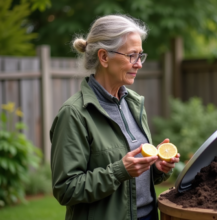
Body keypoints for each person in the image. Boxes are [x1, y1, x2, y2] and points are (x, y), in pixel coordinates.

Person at [50, 14, 180, 220]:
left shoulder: (134, 103)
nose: (139, 64)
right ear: (104, 57)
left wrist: (156, 168)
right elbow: (66, 189)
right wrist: (119, 171)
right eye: (132, 55)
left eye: (141, 55)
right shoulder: (74, 113)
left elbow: (134, 179)